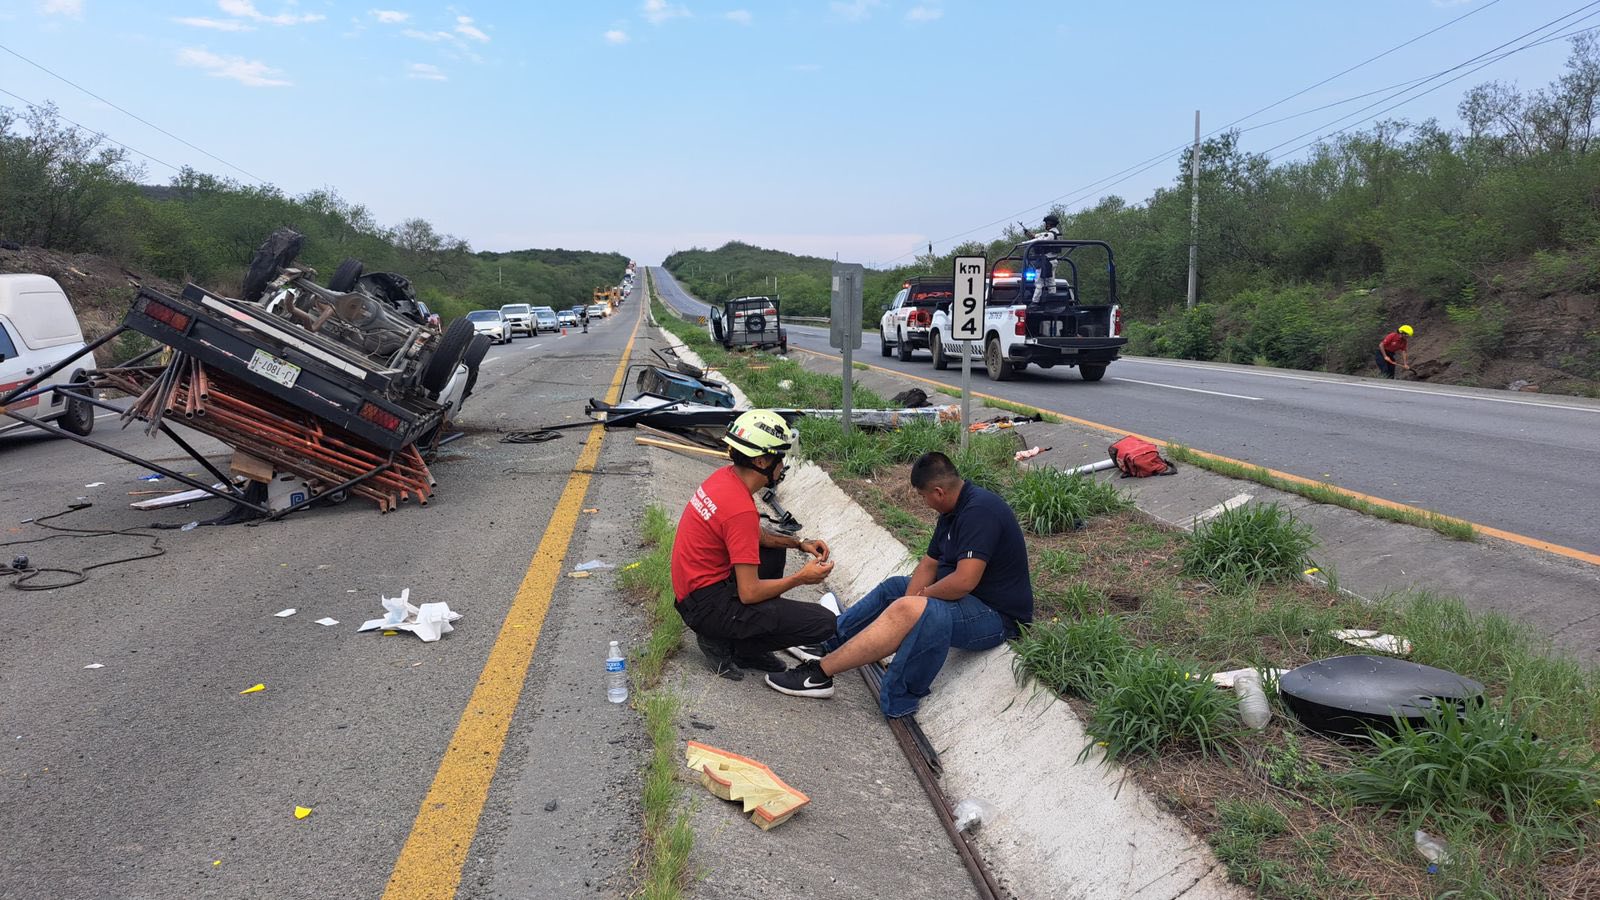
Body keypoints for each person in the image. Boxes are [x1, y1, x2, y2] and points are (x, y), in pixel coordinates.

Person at [766, 451, 1033, 718]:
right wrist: (909, 600)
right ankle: (831, 641)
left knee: (922, 611)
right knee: (896, 589)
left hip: (996, 616)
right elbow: (930, 563)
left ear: (938, 492)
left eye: (922, 496)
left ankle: (824, 675)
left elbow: (963, 582)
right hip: (968, 600)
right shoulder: (953, 510)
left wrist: (920, 600)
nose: (924, 502)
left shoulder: (979, 513)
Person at [671, 410, 837, 679]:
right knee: (823, 622)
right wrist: (801, 578)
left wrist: (799, 543)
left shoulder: (725, 479)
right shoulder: (740, 510)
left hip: (693, 594)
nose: (782, 467)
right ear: (761, 462)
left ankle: (743, 642)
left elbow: (754, 536)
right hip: (706, 609)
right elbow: (749, 592)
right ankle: (728, 644)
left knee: (773, 550)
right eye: (779, 458)